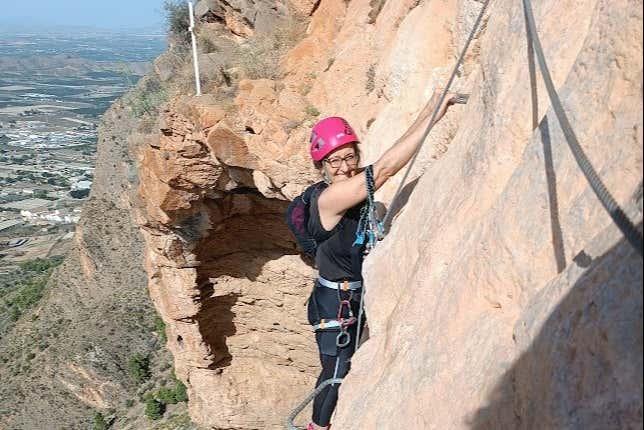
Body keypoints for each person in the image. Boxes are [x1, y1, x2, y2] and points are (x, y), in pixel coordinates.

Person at [305, 90, 456, 430]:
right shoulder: (330, 198)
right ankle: (317, 427)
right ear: (322, 167)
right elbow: (384, 169)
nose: (345, 167)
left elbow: (379, 168)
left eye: (350, 157)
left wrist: (430, 108)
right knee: (335, 372)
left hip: (345, 295)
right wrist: (435, 115)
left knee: (340, 367)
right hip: (336, 305)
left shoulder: (343, 187)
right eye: (335, 161)